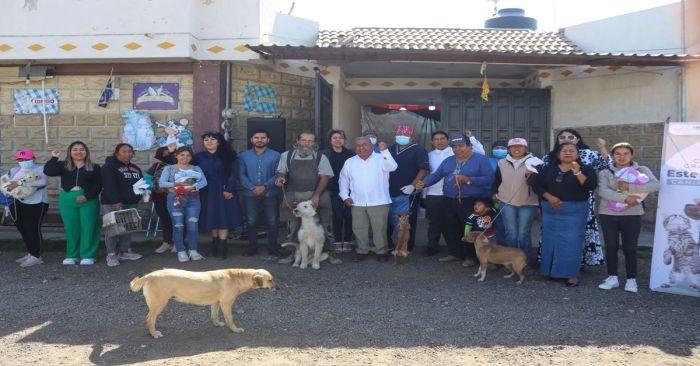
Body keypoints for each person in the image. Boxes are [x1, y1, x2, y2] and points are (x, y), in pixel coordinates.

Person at [416, 135, 494, 266]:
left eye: (461, 146)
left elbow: (489, 179)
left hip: (471, 200)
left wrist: (468, 180)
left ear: (469, 146)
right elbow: (436, 175)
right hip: (448, 198)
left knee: (469, 229)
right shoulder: (448, 161)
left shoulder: (481, 160)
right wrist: (424, 183)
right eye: (454, 146)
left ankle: (471, 257)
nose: (458, 149)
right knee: (449, 226)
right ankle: (455, 253)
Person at [539, 128, 610, 267]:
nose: (566, 139)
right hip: (552, 203)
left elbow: (609, 165)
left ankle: (578, 263)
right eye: (562, 137)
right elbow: (541, 182)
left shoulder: (589, 154)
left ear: (577, 140)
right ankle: (552, 264)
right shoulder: (548, 157)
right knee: (554, 234)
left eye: (571, 137)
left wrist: (602, 148)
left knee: (577, 234)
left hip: (582, 202)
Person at [597, 142, 659, 293]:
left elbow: (655, 185)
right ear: (612, 156)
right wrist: (625, 198)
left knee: (630, 248)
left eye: (625, 153)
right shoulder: (605, 172)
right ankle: (612, 277)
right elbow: (603, 192)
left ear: (632, 155)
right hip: (608, 214)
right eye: (618, 154)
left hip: (632, 214)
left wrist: (630, 188)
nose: (622, 157)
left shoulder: (641, 170)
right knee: (610, 246)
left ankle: (631, 279)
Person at [534, 142, 597, 287]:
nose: (568, 153)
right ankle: (550, 272)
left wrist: (577, 172)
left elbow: (590, 186)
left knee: (572, 242)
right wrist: (549, 197)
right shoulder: (548, 169)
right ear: (558, 154)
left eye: (571, 150)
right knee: (550, 241)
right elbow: (537, 186)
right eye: (564, 150)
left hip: (575, 211)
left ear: (578, 154)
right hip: (550, 209)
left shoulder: (586, 169)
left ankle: (571, 274)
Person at [275, 131, 341, 264]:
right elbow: (281, 172)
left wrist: (316, 195)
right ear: (298, 140)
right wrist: (280, 179)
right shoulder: (286, 156)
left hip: (317, 194)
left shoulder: (320, 157)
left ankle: (329, 252)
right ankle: (291, 254)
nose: (307, 143)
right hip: (293, 193)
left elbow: (324, 178)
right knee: (292, 227)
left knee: (324, 225)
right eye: (304, 140)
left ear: (314, 143)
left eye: (310, 141)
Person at [339, 137, 397, 261]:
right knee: (359, 228)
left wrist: (385, 151)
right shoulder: (350, 162)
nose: (361, 148)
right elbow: (343, 180)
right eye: (358, 145)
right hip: (357, 202)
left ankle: (381, 252)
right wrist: (345, 196)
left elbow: (393, 167)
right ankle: (362, 250)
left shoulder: (381, 158)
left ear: (371, 146)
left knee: (379, 229)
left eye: (364, 145)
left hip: (379, 200)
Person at [44, 141, 102, 265]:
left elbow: (98, 185)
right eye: (75, 149)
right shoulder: (64, 165)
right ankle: (72, 255)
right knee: (71, 228)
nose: (78, 152)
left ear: (86, 152)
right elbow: (49, 171)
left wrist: (87, 196)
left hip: (88, 200)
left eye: (82, 149)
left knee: (89, 227)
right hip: (67, 199)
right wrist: (54, 157)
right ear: (70, 152)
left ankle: (88, 255)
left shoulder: (94, 167)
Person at [195, 132, 244, 259]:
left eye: (212, 139)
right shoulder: (199, 157)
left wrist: (229, 189)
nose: (209, 141)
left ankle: (223, 247)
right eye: (206, 139)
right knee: (213, 217)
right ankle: (215, 244)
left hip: (224, 190)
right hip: (206, 191)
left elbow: (234, 174)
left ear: (219, 142)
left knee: (224, 218)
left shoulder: (228, 156)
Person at [492, 138, 539, 262]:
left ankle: (525, 262)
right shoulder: (502, 162)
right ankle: (511, 261)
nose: (516, 149)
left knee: (523, 234)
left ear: (526, 149)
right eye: (513, 147)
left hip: (528, 203)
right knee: (511, 233)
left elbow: (539, 184)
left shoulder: (534, 162)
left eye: (520, 146)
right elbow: (497, 180)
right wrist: (494, 193)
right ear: (508, 149)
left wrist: (531, 178)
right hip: (507, 202)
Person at [159, 146, 208, 262]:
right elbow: (161, 183)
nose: (184, 157)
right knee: (178, 226)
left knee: (192, 226)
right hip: (175, 199)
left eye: (188, 155)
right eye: (182, 155)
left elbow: (204, 182)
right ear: (176, 155)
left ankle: (193, 250)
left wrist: (192, 187)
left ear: (191, 157)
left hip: (193, 200)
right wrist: (178, 184)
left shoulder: (196, 168)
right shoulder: (169, 168)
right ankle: (181, 251)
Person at [238, 129, 282, 256]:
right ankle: (252, 247)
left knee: (273, 221)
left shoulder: (276, 155)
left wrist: (265, 186)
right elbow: (241, 175)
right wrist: (252, 188)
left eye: (263, 138)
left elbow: (278, 174)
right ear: (251, 139)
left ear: (268, 140)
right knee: (251, 221)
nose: (259, 140)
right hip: (249, 194)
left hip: (270, 193)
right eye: (256, 137)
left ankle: (273, 248)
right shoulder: (243, 156)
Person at [387, 124, 429, 253]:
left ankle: (407, 247)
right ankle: (389, 245)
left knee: (407, 222)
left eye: (405, 134)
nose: (402, 137)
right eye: (400, 134)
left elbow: (424, 169)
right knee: (387, 220)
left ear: (411, 136)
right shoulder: (390, 149)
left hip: (408, 192)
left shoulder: (418, 150)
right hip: (388, 191)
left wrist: (413, 185)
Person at [100, 143, 144, 267]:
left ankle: (124, 251)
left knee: (128, 228)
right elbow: (109, 185)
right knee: (112, 229)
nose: (127, 154)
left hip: (131, 202)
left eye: (130, 151)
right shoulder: (109, 167)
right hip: (112, 203)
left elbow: (140, 183)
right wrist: (115, 201)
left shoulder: (135, 168)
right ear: (116, 153)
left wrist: (142, 194)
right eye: (124, 151)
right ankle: (111, 254)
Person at [6, 149, 48, 267]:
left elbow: (42, 182)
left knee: (32, 228)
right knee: (22, 228)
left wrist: (19, 183)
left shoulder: (40, 169)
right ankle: (30, 253)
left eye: (27, 159)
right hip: (17, 202)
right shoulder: (14, 170)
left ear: (33, 158)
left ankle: (37, 255)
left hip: (38, 202)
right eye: (21, 159)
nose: (23, 161)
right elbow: (6, 182)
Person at [321, 129, 355, 253]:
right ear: (330, 140)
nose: (338, 140)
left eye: (340, 138)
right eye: (335, 138)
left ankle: (348, 240)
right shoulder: (324, 154)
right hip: (333, 189)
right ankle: (337, 241)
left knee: (349, 215)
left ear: (344, 140)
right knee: (337, 215)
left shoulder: (351, 154)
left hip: (350, 189)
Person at [423, 131, 452, 256]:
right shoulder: (428, 156)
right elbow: (426, 175)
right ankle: (432, 245)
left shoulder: (455, 153)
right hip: (433, 193)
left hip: (452, 193)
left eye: (442, 138)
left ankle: (453, 247)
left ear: (448, 140)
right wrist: (424, 195)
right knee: (434, 221)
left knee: (451, 221)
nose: (439, 141)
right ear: (432, 142)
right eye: (436, 139)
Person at [145, 146, 176, 254]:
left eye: (170, 153)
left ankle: (177, 243)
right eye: (165, 154)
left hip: (176, 196)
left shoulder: (180, 166)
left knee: (178, 219)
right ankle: (167, 242)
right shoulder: (156, 166)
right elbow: (147, 178)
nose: (168, 156)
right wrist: (153, 186)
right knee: (165, 219)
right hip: (160, 197)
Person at [462, 198, 498, 265]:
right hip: (479, 237)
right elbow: (468, 226)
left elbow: (497, 205)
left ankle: (494, 263)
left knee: (493, 249)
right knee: (481, 250)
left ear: (487, 208)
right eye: (475, 204)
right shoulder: (472, 216)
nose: (476, 206)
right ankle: (483, 262)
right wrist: (466, 234)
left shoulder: (490, 212)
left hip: (491, 235)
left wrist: (498, 198)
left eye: (479, 205)